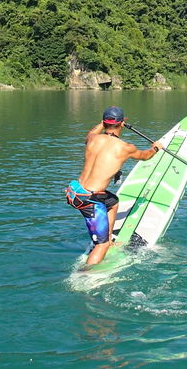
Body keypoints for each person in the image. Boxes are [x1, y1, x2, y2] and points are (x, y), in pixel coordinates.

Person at [66, 106, 163, 265]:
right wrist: (156, 147)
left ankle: (109, 239)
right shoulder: (125, 148)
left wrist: (103, 123)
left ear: (104, 123)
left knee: (113, 202)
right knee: (100, 246)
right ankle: (85, 275)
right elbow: (145, 156)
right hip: (89, 199)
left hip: (75, 191)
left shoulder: (91, 139)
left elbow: (92, 132)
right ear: (121, 123)